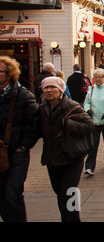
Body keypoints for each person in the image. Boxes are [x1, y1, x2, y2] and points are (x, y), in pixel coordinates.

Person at [38, 76, 94, 222]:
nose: (49, 90)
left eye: (53, 88)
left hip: (72, 157)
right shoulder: (42, 109)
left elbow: (89, 126)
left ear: (61, 90)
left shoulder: (72, 106)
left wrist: (66, 123)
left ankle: (74, 220)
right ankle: (66, 219)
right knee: (60, 195)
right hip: (52, 159)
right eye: (46, 88)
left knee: (69, 192)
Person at [0, 56, 40, 222]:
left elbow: (35, 124)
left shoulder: (23, 95)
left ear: (9, 74)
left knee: (13, 194)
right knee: (1, 196)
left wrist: (23, 146)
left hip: (17, 153)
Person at [83, 69, 104, 175]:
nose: (97, 79)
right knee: (93, 143)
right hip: (94, 121)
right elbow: (86, 103)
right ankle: (89, 167)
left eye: (100, 77)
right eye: (96, 77)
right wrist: (87, 109)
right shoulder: (91, 89)